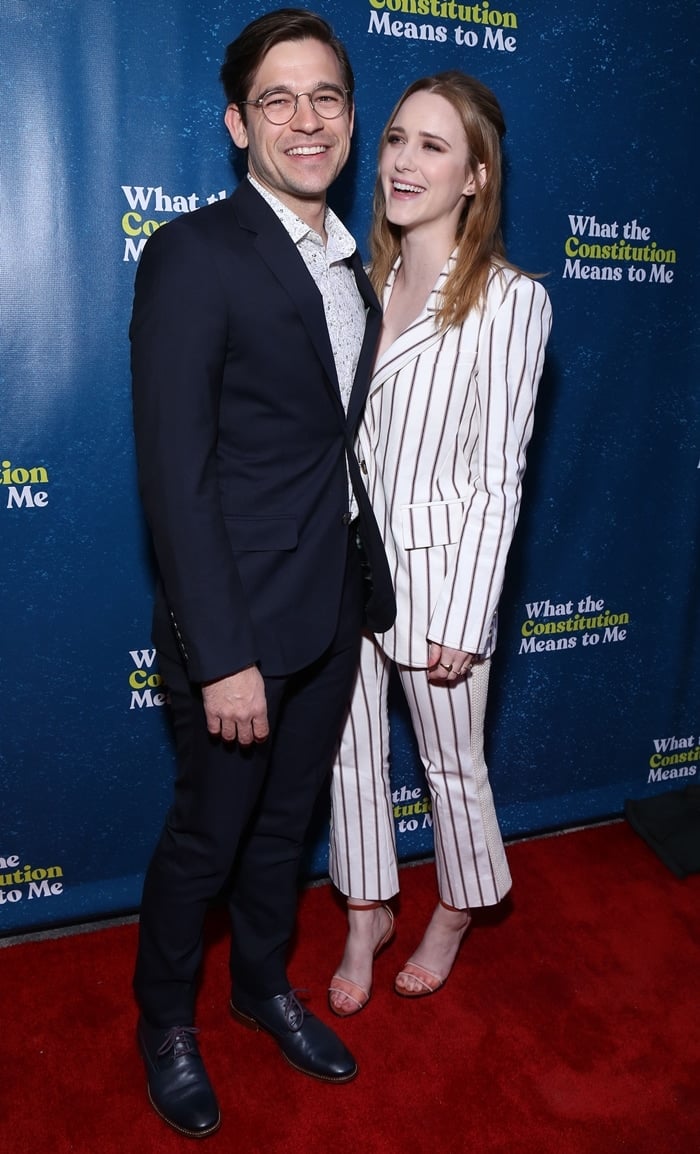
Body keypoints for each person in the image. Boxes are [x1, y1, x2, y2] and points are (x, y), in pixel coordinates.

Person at [130, 8, 395, 1138]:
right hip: (235, 617)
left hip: (332, 598)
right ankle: (165, 1020)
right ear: (239, 122)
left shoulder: (351, 263)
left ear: (347, 118)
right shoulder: (196, 251)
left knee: (288, 826)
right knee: (210, 831)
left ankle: (259, 983)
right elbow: (175, 474)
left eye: (326, 96)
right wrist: (222, 649)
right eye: (277, 98)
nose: (305, 118)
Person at [327, 72, 552, 1015]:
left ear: (475, 176)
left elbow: (500, 475)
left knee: (452, 767)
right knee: (346, 754)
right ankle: (366, 908)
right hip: (343, 568)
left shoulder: (509, 301)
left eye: (432, 146)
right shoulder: (358, 279)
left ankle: (457, 907)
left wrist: (466, 615)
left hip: (437, 579)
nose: (403, 162)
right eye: (395, 139)